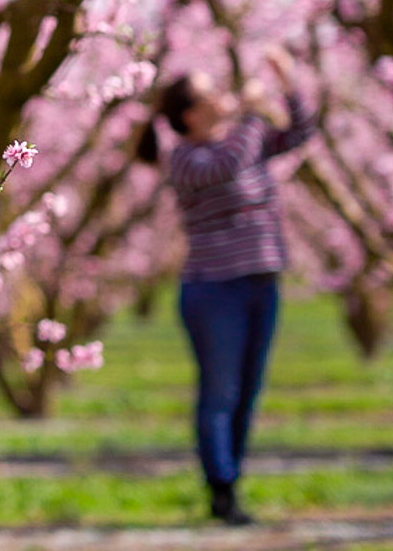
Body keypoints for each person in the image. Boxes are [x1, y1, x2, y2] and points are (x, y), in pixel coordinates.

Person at [139, 48, 317, 526]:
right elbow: (229, 164)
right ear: (191, 115)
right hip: (215, 290)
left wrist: (289, 83)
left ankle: (232, 479)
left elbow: (300, 133)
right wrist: (255, 113)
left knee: (248, 391)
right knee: (220, 391)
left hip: (262, 281)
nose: (222, 95)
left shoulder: (243, 141)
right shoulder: (185, 159)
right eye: (210, 92)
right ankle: (221, 488)